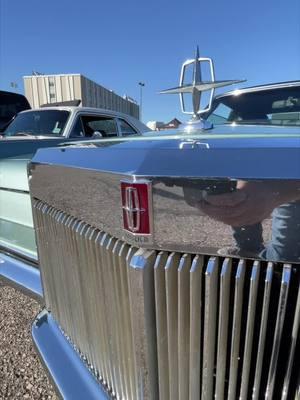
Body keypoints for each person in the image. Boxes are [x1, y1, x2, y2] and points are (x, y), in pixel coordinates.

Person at [197, 180, 300, 263]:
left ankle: (265, 260)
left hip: (293, 166)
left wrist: (278, 192)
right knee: (240, 202)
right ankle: (249, 251)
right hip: (248, 161)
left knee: (285, 259)